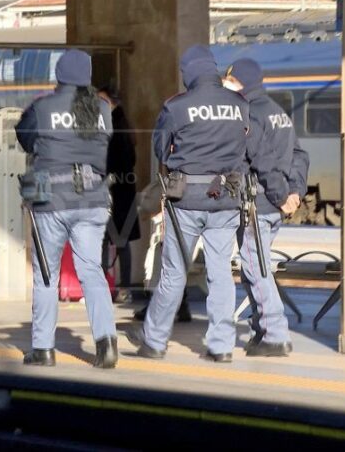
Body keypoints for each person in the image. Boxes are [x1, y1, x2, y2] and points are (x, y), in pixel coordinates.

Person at [130, 45, 268, 363]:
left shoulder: (177, 106)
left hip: (186, 200)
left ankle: (154, 341)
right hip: (227, 200)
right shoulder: (239, 103)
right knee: (220, 273)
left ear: (189, 72)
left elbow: (161, 150)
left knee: (174, 271)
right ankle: (220, 346)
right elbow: (247, 145)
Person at [15, 49, 118, 369]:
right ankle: (106, 345)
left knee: (48, 274)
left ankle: (43, 349)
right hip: (93, 199)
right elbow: (105, 142)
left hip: (52, 201)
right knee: (92, 272)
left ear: (59, 74)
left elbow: (25, 138)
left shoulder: (43, 107)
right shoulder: (102, 108)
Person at [224, 58, 310, 358]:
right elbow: (300, 153)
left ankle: (275, 334)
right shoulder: (278, 112)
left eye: (231, 80)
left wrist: (281, 194)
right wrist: (295, 190)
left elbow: (261, 160)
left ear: (242, 81)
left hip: (257, 204)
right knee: (255, 268)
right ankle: (261, 329)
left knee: (255, 268)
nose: (228, 85)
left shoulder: (247, 113)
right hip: (270, 205)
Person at [98, 88, 141, 297]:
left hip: (113, 190)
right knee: (120, 241)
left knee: (106, 239)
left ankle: (109, 286)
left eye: (101, 100)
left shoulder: (112, 126)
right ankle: (124, 286)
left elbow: (114, 160)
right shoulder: (122, 123)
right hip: (124, 190)